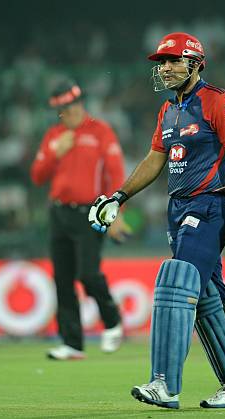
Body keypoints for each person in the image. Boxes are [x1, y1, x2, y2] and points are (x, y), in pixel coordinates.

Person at [88, 32, 225, 409]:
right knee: (205, 293)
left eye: (172, 61)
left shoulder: (218, 101)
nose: (164, 68)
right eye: (161, 62)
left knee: (175, 278)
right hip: (178, 208)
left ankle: (164, 384)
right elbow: (155, 159)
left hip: (211, 205)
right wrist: (118, 197)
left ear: (196, 63)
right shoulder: (168, 110)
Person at [30, 79, 128, 360]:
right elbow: (37, 176)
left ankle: (112, 321)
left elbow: (115, 173)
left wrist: (116, 211)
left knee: (87, 274)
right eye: (61, 109)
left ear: (80, 104)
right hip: (59, 212)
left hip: (91, 212)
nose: (66, 113)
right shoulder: (53, 136)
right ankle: (72, 343)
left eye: (70, 106)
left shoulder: (100, 132)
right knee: (62, 278)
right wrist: (54, 153)